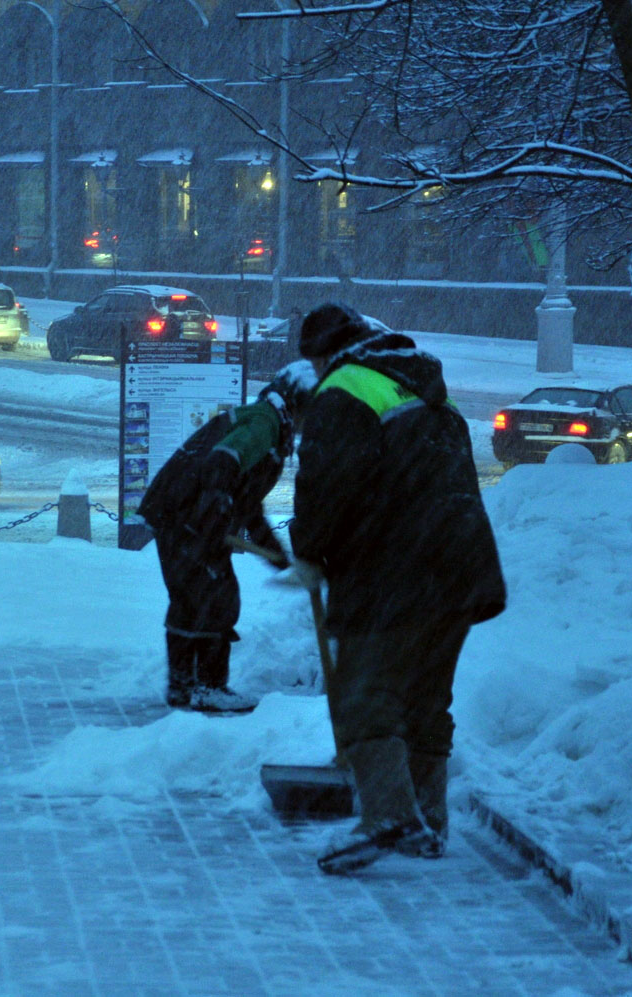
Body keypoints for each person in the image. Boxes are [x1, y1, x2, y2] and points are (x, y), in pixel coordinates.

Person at [287, 303, 506, 874]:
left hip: (395, 568)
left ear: (323, 355)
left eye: (313, 362)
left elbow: (326, 481)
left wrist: (310, 552)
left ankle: (387, 814)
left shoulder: (344, 389)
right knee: (426, 697)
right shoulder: (423, 387)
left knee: (365, 692)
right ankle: (428, 822)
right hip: (460, 566)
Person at [137, 362, 317, 714]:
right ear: (297, 405)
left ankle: (185, 688)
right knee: (211, 600)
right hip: (186, 518)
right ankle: (205, 687)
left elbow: (248, 505)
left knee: (198, 600)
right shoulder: (264, 423)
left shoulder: (269, 425)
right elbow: (223, 462)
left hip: (186, 516)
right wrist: (215, 512)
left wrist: (275, 556)